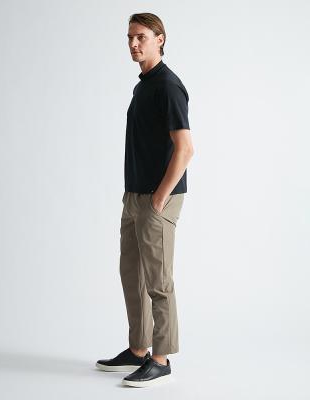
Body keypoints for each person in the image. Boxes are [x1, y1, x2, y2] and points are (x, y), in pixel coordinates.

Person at [96, 12, 194, 387]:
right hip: (135, 196)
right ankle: (138, 350)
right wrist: (138, 198)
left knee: (158, 281)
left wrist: (158, 199)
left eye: (141, 37)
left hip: (157, 199)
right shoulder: (143, 86)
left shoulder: (168, 86)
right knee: (132, 275)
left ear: (160, 39)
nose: (133, 44)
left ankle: (161, 358)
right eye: (129, 38)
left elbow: (185, 149)